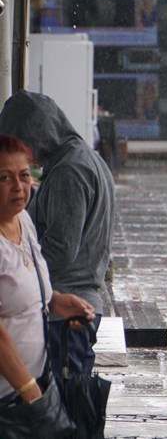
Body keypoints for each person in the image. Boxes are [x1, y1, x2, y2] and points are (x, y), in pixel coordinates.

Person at [0, 90, 116, 381]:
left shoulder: (70, 172)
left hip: (65, 315)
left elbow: (61, 250)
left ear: (38, 133)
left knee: (60, 413)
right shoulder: (84, 158)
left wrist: (21, 276)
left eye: (19, 144)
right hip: (74, 306)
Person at [0, 135, 94, 408]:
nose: (18, 187)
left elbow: (21, 286)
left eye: (24, 175)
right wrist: (29, 390)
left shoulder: (23, 220)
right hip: (12, 397)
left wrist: (55, 301)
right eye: (5, 178)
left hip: (32, 385)